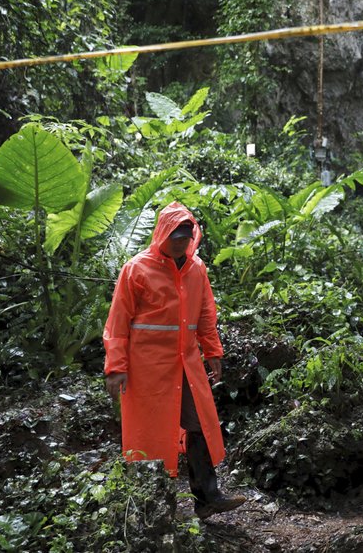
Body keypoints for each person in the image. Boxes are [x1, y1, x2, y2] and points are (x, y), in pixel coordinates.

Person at [103, 202, 245, 519]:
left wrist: (213, 352)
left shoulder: (197, 270)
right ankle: (153, 508)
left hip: (186, 365)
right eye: (175, 236)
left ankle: (208, 497)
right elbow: (117, 323)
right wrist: (116, 368)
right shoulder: (136, 269)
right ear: (163, 235)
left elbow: (206, 315)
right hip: (147, 370)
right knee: (149, 438)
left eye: (185, 236)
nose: (180, 242)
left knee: (199, 427)